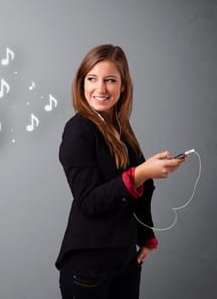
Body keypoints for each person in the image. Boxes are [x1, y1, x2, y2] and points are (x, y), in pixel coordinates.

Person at [55, 44, 186, 299]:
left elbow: (143, 189)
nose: (100, 89)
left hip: (125, 261)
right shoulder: (77, 131)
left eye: (110, 80)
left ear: (123, 85)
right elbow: (89, 202)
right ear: (81, 83)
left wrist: (147, 236)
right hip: (88, 268)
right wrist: (141, 173)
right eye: (92, 79)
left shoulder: (121, 127)